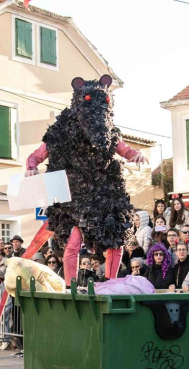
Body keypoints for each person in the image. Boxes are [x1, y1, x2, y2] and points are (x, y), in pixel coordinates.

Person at [25, 75, 147, 284]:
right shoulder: (61, 131)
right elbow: (37, 155)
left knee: (115, 240)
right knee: (73, 241)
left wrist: (136, 155)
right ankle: (71, 284)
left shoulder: (108, 133)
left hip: (103, 194)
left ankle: (111, 282)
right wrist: (31, 167)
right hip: (72, 196)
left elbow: (124, 149)